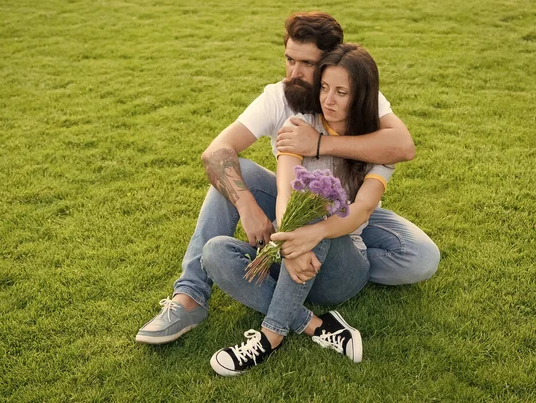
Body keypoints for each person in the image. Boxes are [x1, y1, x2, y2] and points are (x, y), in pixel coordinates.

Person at [135, 12, 439, 346]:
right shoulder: (278, 98)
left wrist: (320, 144)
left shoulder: (354, 89)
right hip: (294, 203)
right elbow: (216, 153)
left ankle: (325, 265)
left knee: (420, 257)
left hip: (353, 212)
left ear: (332, 61)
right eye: (289, 60)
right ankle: (190, 296)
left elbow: (403, 147)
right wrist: (249, 208)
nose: (294, 73)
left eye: (307, 64)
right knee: (237, 174)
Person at [203, 43, 394, 376]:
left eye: (341, 92)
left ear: (361, 96)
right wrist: (291, 247)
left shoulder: (377, 145)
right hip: (293, 255)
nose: (328, 99)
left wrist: (312, 232)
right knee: (215, 252)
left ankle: (269, 337)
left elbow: (362, 210)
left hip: (342, 269)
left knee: (319, 207)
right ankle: (317, 326)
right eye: (323, 87)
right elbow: (285, 189)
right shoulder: (298, 126)